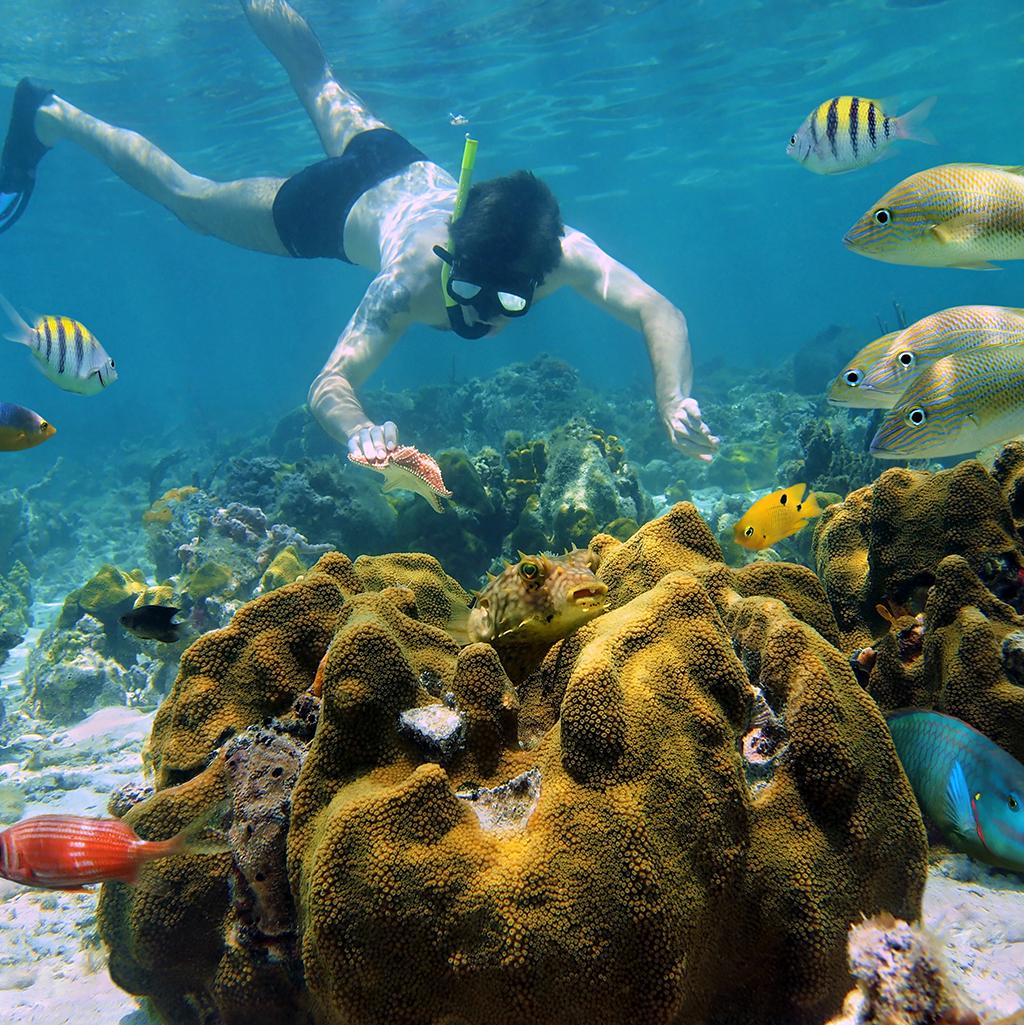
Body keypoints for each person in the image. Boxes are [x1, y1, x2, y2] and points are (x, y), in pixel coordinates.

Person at [0, 0, 719, 466]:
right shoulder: (408, 281)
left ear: (541, 278)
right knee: (190, 199)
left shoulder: (562, 252)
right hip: (329, 207)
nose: (473, 314)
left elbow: (662, 312)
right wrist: (358, 428)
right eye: (463, 287)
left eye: (501, 306)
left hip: (397, 159)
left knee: (318, 76)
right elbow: (329, 382)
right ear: (451, 250)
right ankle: (55, 115)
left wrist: (671, 398)